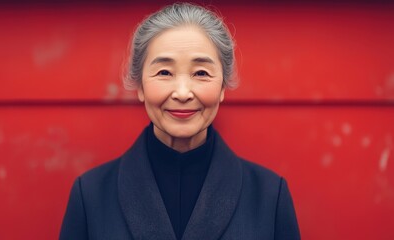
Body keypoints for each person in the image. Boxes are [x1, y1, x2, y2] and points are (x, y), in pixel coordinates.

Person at [60, 3, 300, 240]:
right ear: (140, 86)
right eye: (164, 73)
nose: (183, 93)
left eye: (201, 73)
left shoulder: (269, 195)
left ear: (223, 87)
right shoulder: (90, 194)